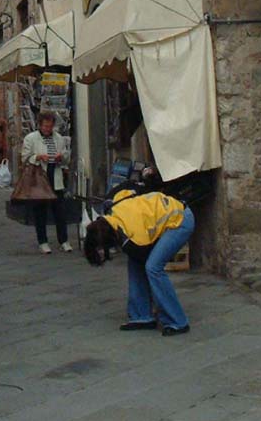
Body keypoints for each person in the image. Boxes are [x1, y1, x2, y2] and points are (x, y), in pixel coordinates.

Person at [83, 187, 195, 336]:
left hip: (180, 221)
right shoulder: (113, 214)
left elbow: (143, 252)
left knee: (153, 268)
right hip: (173, 210)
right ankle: (141, 315)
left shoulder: (134, 236)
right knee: (135, 263)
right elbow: (127, 193)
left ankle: (178, 321)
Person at [21, 114, 73, 254]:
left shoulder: (59, 138)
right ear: (40, 125)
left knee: (60, 211)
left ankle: (63, 240)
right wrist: (38, 157)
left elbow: (66, 158)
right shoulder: (31, 138)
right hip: (39, 177)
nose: (48, 129)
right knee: (40, 212)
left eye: (50, 126)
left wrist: (61, 157)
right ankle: (42, 241)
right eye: (45, 126)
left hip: (55, 175)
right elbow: (25, 158)